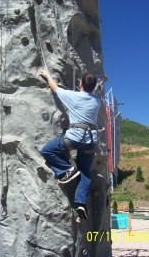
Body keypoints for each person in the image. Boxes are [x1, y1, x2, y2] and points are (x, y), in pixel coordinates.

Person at [40, 70, 101, 220]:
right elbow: (95, 90)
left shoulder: (73, 97)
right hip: (90, 141)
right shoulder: (97, 100)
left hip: (75, 138)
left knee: (47, 151)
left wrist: (47, 75)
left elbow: (55, 89)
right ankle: (81, 203)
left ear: (80, 84)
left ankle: (67, 170)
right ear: (93, 87)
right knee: (85, 172)